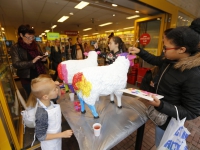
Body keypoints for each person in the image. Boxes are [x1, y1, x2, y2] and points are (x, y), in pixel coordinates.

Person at [129, 23, 200, 147]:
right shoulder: (170, 59)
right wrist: (140, 51)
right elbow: (155, 60)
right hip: (161, 115)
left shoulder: (193, 75)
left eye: (166, 47)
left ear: (181, 49)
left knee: (162, 144)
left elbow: (191, 111)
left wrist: (161, 105)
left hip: (169, 122)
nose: (163, 51)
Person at [29, 74, 73, 150]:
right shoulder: (42, 113)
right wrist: (62, 134)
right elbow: (41, 136)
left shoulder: (47, 101)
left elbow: (58, 96)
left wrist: (57, 86)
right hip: (50, 145)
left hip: (56, 138)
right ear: (45, 96)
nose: (57, 90)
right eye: (54, 89)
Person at [10, 24, 47, 97]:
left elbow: (40, 56)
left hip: (40, 76)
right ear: (21, 35)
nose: (31, 39)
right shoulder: (16, 47)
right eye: (28, 37)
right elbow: (16, 64)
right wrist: (32, 61)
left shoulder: (36, 45)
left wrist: (44, 59)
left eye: (32, 37)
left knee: (44, 97)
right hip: (27, 79)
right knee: (33, 99)